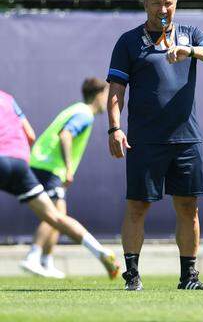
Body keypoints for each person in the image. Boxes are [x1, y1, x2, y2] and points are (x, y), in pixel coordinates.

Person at [106, 0, 203, 291]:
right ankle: (132, 276)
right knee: (137, 206)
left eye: (169, 3)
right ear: (145, 4)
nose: (164, 9)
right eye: (157, 3)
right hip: (145, 140)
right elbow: (116, 90)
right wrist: (115, 128)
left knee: (188, 207)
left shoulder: (189, 35)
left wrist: (191, 51)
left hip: (187, 138)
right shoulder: (128, 42)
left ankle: (189, 278)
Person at [0, 90, 120, 279]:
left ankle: (41, 258)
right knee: (55, 215)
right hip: (25, 163)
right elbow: (33, 135)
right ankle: (97, 252)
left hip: (35, 164)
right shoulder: (8, 99)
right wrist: (68, 168)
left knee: (57, 213)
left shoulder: (78, 110)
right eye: (106, 94)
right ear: (97, 95)